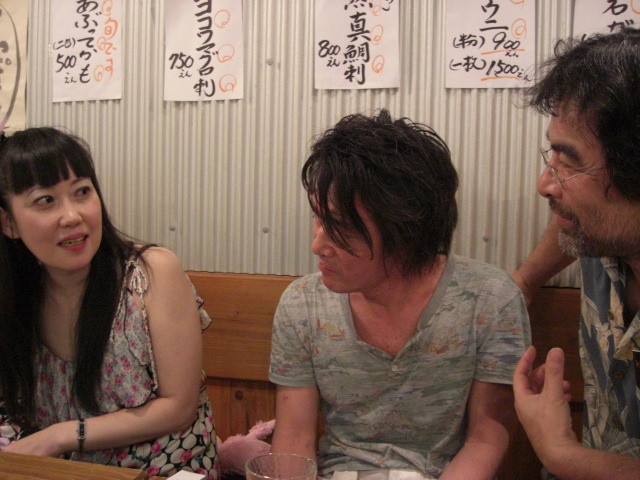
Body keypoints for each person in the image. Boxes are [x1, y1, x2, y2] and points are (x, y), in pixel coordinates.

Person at [269, 109, 531, 480]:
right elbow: (294, 438)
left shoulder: (490, 300)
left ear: (404, 231)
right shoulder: (302, 304)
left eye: (339, 226)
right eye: (318, 217)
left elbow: (486, 439)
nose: (317, 245)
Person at [0, 127, 219, 479]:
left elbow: (179, 408)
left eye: (82, 192)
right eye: (46, 200)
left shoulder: (151, 273)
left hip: (166, 471)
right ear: (9, 223)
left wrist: (59, 436)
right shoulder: (17, 298)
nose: (72, 216)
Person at [511, 28, 640, 479]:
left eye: (568, 161)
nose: (545, 184)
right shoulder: (601, 235)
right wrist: (526, 279)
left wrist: (560, 452)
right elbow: (567, 221)